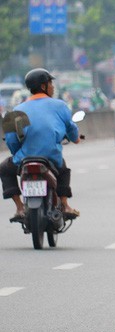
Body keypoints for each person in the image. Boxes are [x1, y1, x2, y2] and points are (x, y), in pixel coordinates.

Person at [0, 68, 80, 222]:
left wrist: (19, 153)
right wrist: (75, 139)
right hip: (51, 159)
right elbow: (71, 130)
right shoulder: (60, 106)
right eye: (51, 83)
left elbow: (11, 140)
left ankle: (19, 207)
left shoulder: (16, 110)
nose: (53, 87)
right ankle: (64, 204)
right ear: (43, 86)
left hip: (24, 159)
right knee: (63, 171)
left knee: (4, 169)